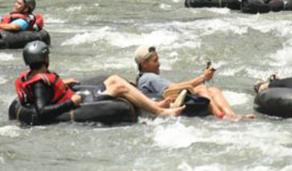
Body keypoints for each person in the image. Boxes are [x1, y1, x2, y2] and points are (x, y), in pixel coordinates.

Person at [15, 41, 183, 125]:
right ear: (45, 58)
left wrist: (64, 83)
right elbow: (42, 112)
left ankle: (158, 105)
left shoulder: (34, 76)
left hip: (79, 98)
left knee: (113, 79)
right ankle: (158, 111)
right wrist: (70, 103)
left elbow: (48, 91)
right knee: (119, 85)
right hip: (79, 103)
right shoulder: (39, 83)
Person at [134, 45, 238, 119]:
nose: (159, 64)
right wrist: (203, 78)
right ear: (144, 64)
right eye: (155, 61)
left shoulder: (143, 78)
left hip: (171, 104)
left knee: (213, 90)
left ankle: (231, 115)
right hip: (173, 109)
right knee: (201, 88)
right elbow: (174, 89)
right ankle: (221, 116)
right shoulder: (149, 78)